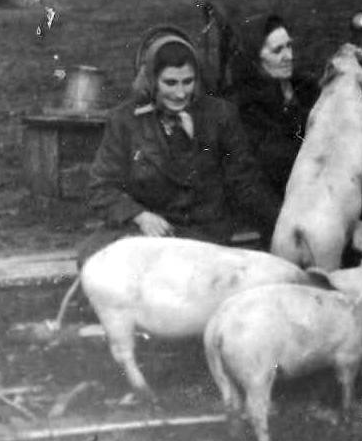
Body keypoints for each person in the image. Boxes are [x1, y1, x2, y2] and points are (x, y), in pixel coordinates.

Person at [79, 24, 281, 263]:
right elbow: (101, 188)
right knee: (95, 259)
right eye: (170, 83)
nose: (180, 93)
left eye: (188, 82)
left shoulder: (220, 116)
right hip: (147, 232)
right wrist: (140, 216)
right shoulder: (125, 121)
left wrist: (280, 225)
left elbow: (245, 182)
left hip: (204, 235)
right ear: (152, 81)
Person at [222, 14, 320, 239]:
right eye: (277, 51)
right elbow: (251, 181)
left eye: (289, 46)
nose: (289, 56)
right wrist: (285, 224)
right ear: (256, 58)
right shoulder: (246, 107)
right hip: (280, 212)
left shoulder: (305, 88)